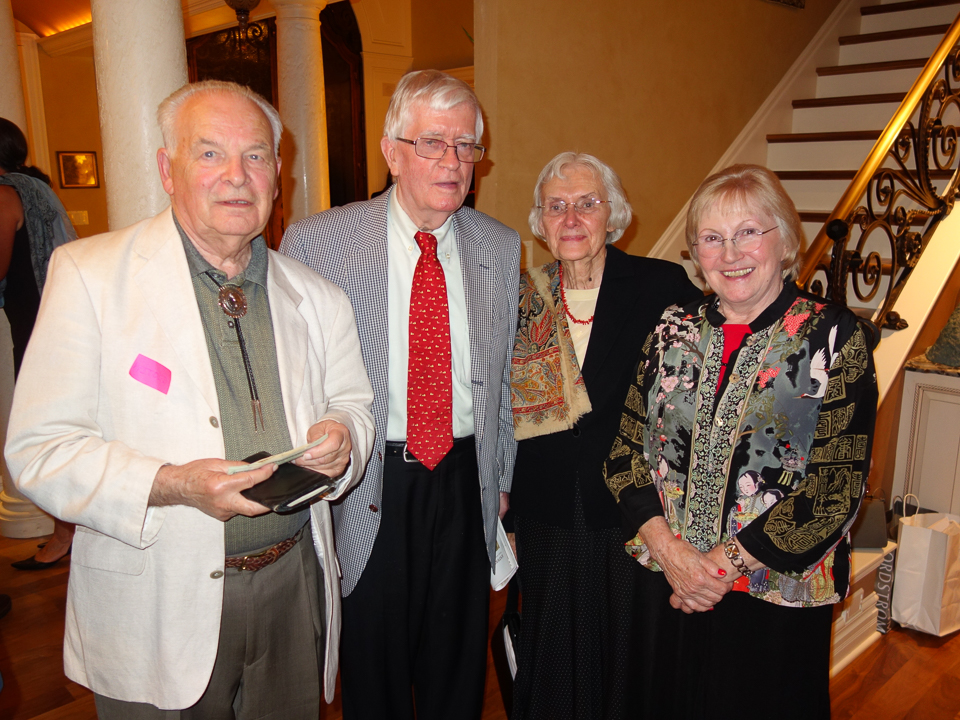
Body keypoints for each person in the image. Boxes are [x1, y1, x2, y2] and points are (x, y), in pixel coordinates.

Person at [5, 80, 375, 718]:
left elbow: (354, 405)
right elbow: (40, 451)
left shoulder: (318, 295)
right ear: (165, 169)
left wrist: (344, 436)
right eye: (209, 153)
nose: (236, 175)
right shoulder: (90, 276)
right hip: (157, 596)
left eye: (255, 155)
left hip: (293, 588)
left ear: (277, 172)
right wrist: (173, 484)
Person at [281, 69, 521, 720]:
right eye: (433, 143)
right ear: (392, 152)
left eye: (466, 146)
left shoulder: (499, 247)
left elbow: (501, 378)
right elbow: (295, 376)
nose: (454, 161)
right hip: (367, 477)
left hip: (465, 482)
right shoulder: (319, 242)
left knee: (457, 668)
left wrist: (500, 480)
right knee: (374, 667)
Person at [603, 164, 878, 720]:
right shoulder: (671, 328)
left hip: (772, 596)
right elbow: (625, 454)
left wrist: (717, 568)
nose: (730, 254)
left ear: (785, 241)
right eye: (712, 238)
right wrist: (671, 553)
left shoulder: (834, 337)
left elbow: (835, 488)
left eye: (748, 232)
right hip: (665, 583)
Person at [507, 152, 700, 720]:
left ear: (612, 215)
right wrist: (509, 516)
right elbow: (501, 410)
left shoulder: (661, 286)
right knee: (551, 646)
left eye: (587, 204)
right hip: (544, 507)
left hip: (631, 508)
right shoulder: (522, 296)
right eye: (556, 206)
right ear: (540, 223)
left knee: (624, 650)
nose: (571, 219)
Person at [0, 118, 77, 571]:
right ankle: (67, 532)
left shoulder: (6, 193)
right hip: (52, 316)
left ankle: (64, 535)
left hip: (34, 322)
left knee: (42, 431)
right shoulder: (36, 186)